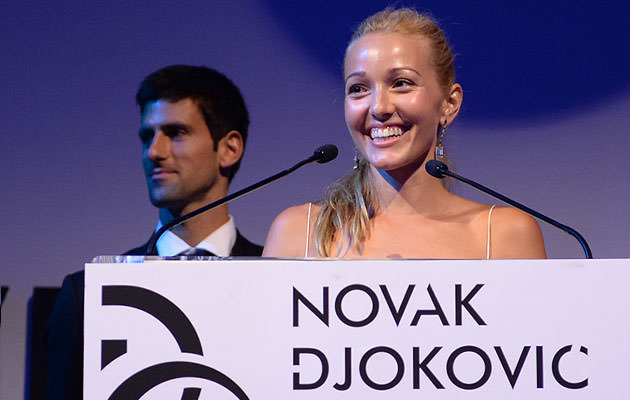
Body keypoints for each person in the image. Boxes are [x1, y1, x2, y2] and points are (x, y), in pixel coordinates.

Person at [44, 65, 263, 399]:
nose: (154, 152)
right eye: (148, 136)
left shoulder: (278, 283)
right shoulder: (88, 295)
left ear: (229, 149)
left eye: (175, 133)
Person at [263, 8, 546, 259]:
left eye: (401, 83)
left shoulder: (503, 236)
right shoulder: (296, 233)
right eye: (358, 89)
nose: (379, 107)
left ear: (450, 103)